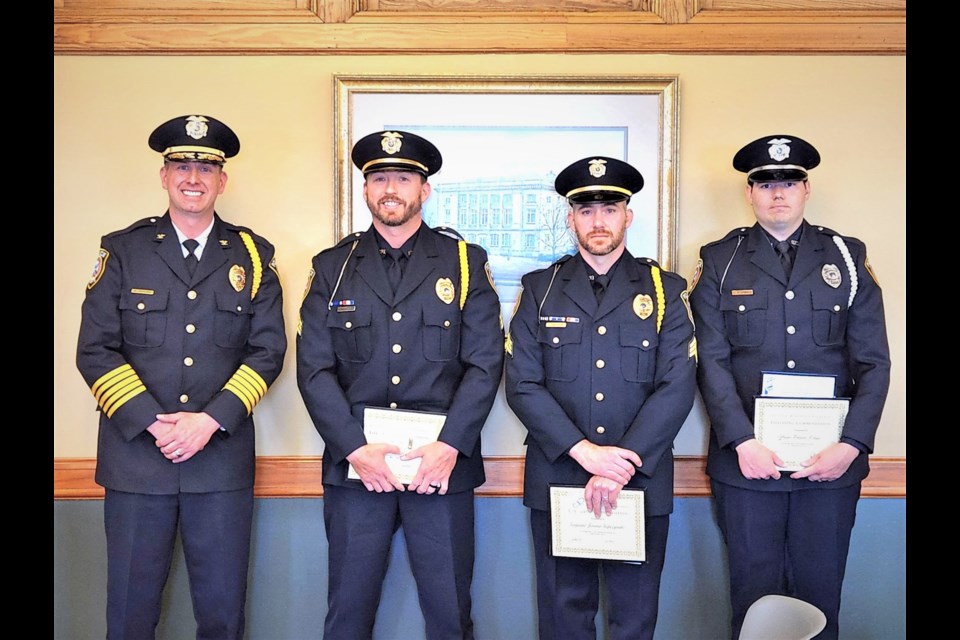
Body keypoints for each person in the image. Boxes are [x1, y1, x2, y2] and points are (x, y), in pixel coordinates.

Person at [75, 114, 287, 638]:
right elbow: (94, 350)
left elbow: (268, 351)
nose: (193, 177)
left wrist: (208, 422)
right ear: (164, 176)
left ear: (222, 180)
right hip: (136, 463)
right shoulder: (122, 250)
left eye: (206, 167)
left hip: (218, 462)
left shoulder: (254, 257)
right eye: (182, 165)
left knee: (221, 615)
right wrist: (154, 422)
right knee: (129, 613)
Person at [296, 130, 504, 639]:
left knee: (450, 614)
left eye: (404, 178)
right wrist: (353, 449)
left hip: (440, 467)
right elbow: (314, 369)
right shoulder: (333, 266)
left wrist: (451, 444)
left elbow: (484, 364)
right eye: (380, 178)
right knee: (347, 614)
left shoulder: (464, 262)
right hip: (358, 472)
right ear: (366, 189)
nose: (391, 188)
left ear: (424, 190)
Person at [688, 135, 891, 639]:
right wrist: (741, 441)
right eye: (765, 183)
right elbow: (710, 362)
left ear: (807, 189)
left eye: (789, 181)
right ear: (750, 193)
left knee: (820, 599)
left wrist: (852, 445)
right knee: (752, 600)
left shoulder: (847, 257)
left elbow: (874, 362)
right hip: (748, 466)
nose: (777, 192)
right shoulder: (721, 259)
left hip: (830, 465)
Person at [504, 156, 697, 640]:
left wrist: (622, 463)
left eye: (609, 209)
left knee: (633, 619)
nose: (597, 221)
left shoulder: (666, 290)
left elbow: (678, 384)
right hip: (560, 477)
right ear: (570, 218)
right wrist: (586, 453)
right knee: (562, 617)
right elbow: (523, 384)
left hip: (639, 479)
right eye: (585, 211)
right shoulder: (540, 290)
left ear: (627, 216)